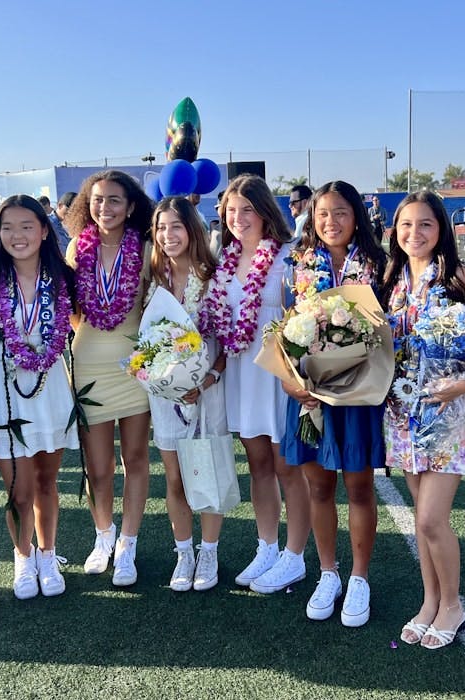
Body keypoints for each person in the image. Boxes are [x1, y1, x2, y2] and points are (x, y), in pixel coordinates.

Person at [281, 180, 386, 626]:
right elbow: (284, 330)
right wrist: (291, 379)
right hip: (310, 394)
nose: (331, 222)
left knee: (359, 487)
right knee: (319, 487)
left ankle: (360, 578)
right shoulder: (299, 265)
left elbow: (386, 329)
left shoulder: (380, 264)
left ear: (356, 215)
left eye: (340, 212)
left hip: (359, 393)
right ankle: (329, 572)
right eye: (323, 214)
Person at [200, 174, 311, 594]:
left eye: (247, 209)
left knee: (288, 467)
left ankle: (295, 556)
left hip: (279, 377)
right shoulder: (222, 263)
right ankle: (266, 545)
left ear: (265, 211)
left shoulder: (288, 258)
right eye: (231, 209)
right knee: (259, 465)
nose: (238, 217)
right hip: (242, 376)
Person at [382, 191, 465, 648]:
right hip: (402, 412)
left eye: (425, 224)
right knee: (421, 515)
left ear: (441, 229)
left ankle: (453, 604)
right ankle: (430, 600)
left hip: (447, 415)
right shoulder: (391, 279)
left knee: (429, 520)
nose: (415, 234)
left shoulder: (459, 277)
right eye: (406, 225)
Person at [0, 195, 78, 600]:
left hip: (50, 388)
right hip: (6, 390)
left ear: (44, 229)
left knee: (47, 481)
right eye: (7, 227)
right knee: (18, 488)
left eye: (26, 226)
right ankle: (23, 557)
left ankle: (48, 555)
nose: (17, 236)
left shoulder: (62, 277)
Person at [65, 170, 154, 587]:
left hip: (134, 369)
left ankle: (128, 545)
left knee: (134, 460)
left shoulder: (148, 249)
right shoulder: (75, 248)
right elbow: (72, 311)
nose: (105, 208)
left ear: (131, 206)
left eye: (114, 200)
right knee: (97, 468)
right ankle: (103, 537)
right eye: (97, 200)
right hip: (89, 367)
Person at [147, 197, 227, 592]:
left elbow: (231, 339)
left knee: (206, 473)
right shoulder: (151, 279)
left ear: (191, 229)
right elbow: (145, 343)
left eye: (175, 226)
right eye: (161, 227)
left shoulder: (214, 276)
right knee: (175, 477)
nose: (167, 235)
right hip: (165, 395)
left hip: (207, 390)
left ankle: (209, 552)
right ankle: (185, 551)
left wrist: (207, 379)